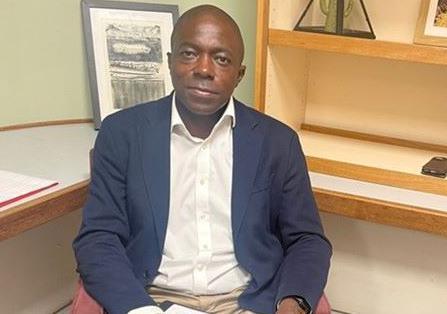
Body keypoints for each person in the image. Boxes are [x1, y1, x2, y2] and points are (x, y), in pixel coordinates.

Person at [73, 4, 331, 314]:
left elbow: (307, 239)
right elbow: (98, 238)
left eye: (222, 59)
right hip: (151, 299)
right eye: (189, 53)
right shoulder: (122, 134)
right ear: (169, 62)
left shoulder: (277, 142)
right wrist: (140, 309)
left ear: (239, 74)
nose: (204, 69)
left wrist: (294, 302)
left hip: (248, 301)